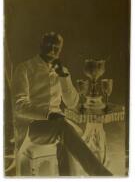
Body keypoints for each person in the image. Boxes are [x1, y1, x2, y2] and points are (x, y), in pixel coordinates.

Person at [12, 32, 112, 176]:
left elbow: (72, 103)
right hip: (31, 126)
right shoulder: (24, 69)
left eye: (56, 48)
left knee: (72, 135)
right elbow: (19, 106)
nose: (52, 50)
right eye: (49, 45)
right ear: (41, 45)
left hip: (57, 125)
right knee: (65, 129)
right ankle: (100, 174)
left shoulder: (62, 71)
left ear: (60, 50)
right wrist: (48, 114)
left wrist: (63, 76)